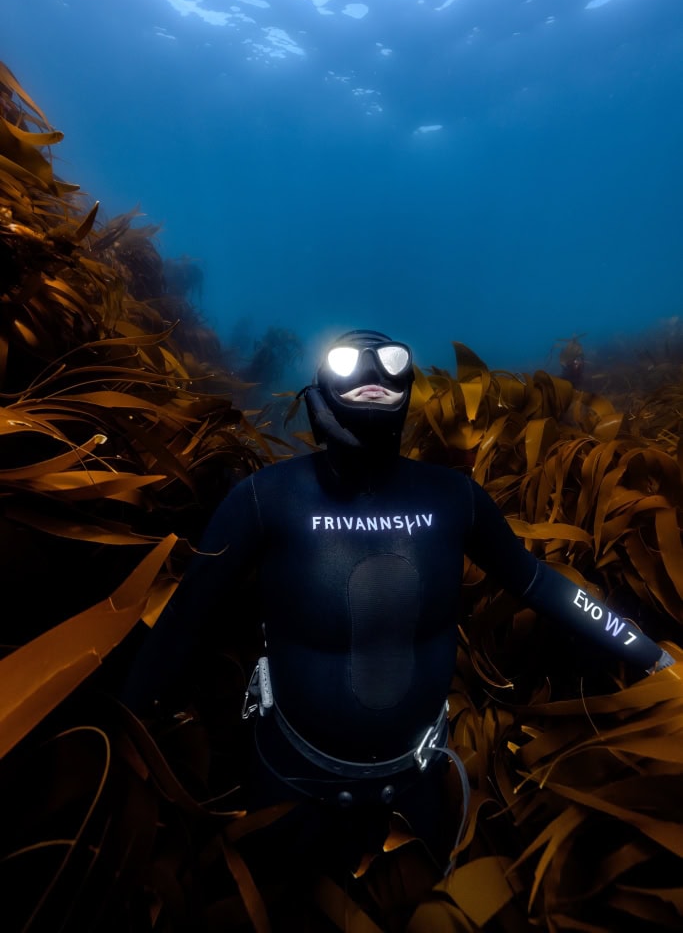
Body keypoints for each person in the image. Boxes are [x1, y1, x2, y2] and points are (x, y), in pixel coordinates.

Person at [120, 329, 673, 879]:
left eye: (389, 361)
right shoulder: (265, 498)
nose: (369, 376)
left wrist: (654, 659)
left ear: (408, 382)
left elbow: (539, 584)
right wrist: (125, 727)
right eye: (347, 363)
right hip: (287, 779)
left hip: (418, 783)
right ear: (320, 386)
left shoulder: (454, 497)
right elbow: (186, 616)